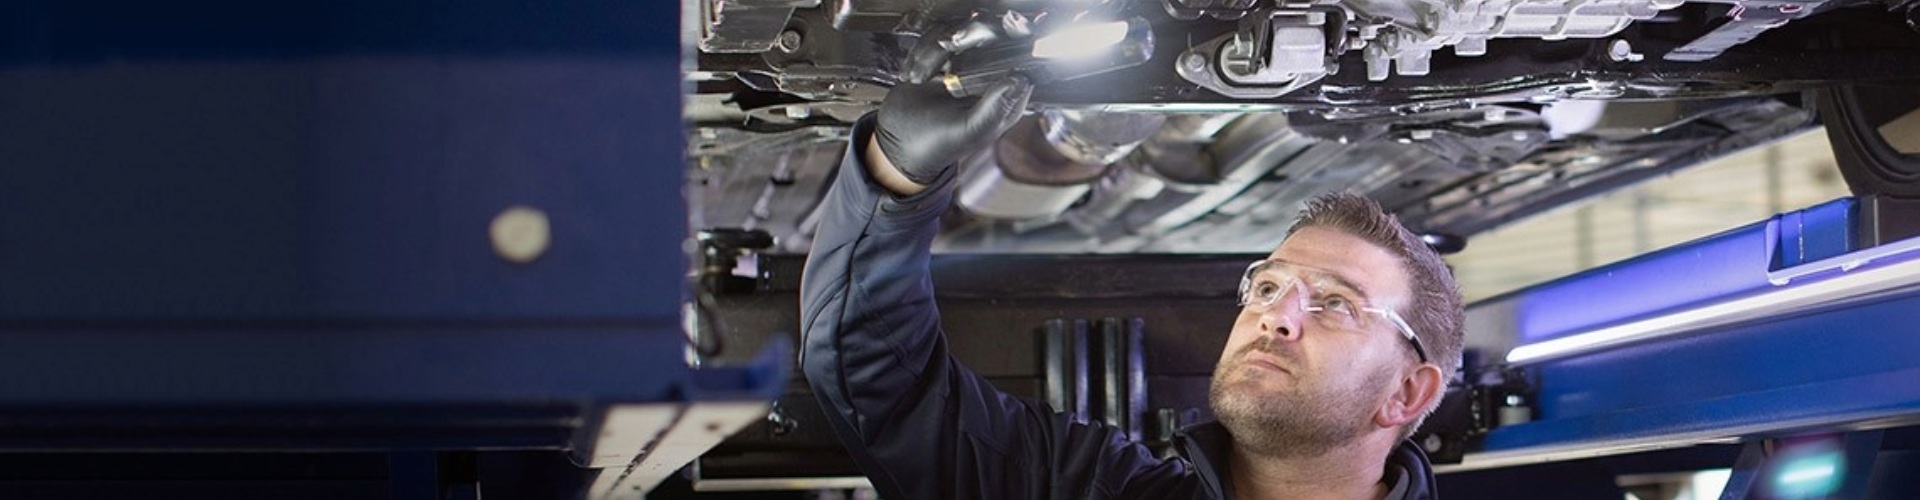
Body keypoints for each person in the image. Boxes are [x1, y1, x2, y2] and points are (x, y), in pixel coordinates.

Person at [799, 70, 1465, 499]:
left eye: (1333, 302)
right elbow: (883, 387)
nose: (1276, 317)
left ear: (1409, 391)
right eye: (1267, 287)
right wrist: (897, 176)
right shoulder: (1090, 488)